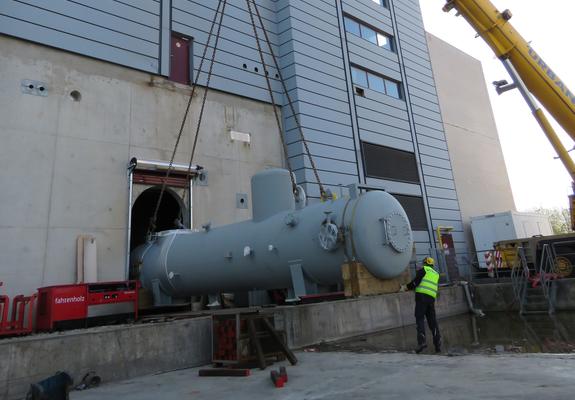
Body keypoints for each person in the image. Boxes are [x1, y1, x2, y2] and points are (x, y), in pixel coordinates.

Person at [404, 257, 441, 354]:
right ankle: (438, 344)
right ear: (432, 265)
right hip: (431, 299)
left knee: (419, 318)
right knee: (433, 322)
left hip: (421, 298)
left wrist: (406, 287)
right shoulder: (436, 274)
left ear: (425, 263)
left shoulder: (423, 270)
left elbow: (415, 282)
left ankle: (422, 342)